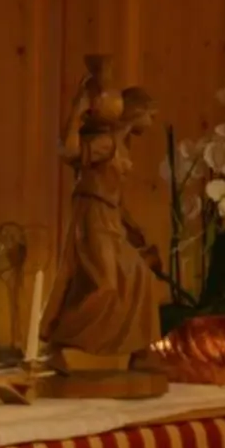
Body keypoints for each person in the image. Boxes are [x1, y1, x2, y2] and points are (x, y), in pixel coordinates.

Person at [47, 58, 162, 361]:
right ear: (136, 113)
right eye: (150, 115)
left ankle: (138, 350)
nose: (152, 123)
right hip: (94, 217)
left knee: (142, 276)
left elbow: (116, 194)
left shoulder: (121, 145)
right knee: (106, 285)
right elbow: (68, 151)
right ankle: (60, 339)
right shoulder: (105, 143)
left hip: (111, 217)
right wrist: (78, 110)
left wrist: (132, 226)